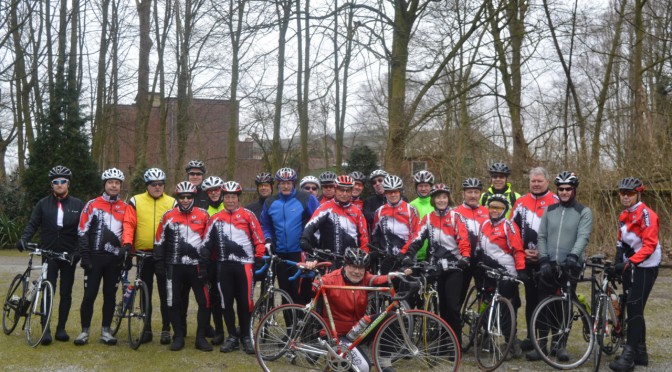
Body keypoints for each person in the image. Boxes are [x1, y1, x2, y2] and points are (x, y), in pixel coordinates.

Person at [308, 247, 412, 372]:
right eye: (353, 266)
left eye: (361, 268)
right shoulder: (330, 279)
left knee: (390, 317)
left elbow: (381, 279)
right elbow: (313, 290)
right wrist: (310, 266)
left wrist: (400, 273)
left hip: (356, 330)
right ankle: (334, 358)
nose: (357, 271)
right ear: (345, 265)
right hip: (336, 335)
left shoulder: (366, 278)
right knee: (363, 369)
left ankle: (384, 364)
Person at [527, 171, 592, 362]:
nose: (564, 192)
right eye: (561, 189)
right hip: (549, 263)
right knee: (543, 303)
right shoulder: (550, 210)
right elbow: (542, 236)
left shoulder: (583, 211)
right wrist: (544, 259)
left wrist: (573, 255)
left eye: (568, 189)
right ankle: (541, 345)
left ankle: (560, 344)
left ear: (574, 190)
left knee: (564, 304)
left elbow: (583, 236)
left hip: (570, 264)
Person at [16, 165, 84, 345]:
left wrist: (78, 252)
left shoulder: (78, 204)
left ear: (68, 184)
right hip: (49, 254)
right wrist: (24, 239)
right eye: (56, 182)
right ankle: (45, 328)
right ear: (52, 185)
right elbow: (32, 224)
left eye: (63, 181)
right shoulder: (42, 204)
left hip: (69, 256)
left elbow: (83, 231)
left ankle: (61, 328)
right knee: (47, 290)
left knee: (66, 293)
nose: (59, 184)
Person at [399, 183, 470, 345]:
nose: (441, 200)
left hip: (454, 267)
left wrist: (465, 257)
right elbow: (417, 239)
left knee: (452, 307)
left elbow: (463, 239)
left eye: (444, 197)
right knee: (438, 307)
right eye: (438, 197)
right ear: (433, 199)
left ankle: (455, 343)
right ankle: (442, 342)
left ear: (448, 198)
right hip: (434, 267)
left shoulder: (455, 217)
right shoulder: (428, 218)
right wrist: (408, 255)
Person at [202, 181, 266, 354]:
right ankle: (232, 336)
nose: (230, 200)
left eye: (233, 197)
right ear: (223, 198)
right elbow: (207, 240)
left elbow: (259, 239)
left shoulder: (248, 215)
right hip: (223, 265)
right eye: (227, 197)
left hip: (245, 265)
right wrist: (205, 253)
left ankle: (246, 336)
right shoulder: (215, 218)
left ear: (238, 198)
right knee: (225, 302)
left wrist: (259, 257)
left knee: (245, 302)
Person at [608, 178, 661, 372]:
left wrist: (630, 263)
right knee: (634, 307)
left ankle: (628, 355)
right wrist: (617, 262)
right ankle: (641, 352)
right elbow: (620, 242)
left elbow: (650, 245)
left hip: (646, 266)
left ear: (638, 194)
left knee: (634, 306)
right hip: (631, 266)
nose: (625, 196)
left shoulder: (646, 214)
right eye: (622, 193)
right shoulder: (624, 215)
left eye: (629, 193)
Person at [153, 181, 211, 351]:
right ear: (177, 197)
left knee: (204, 301)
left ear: (194, 197)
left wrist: (206, 263)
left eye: (189, 197)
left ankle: (200, 338)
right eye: (182, 197)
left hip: (197, 266)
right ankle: (178, 336)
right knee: (173, 301)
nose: (185, 200)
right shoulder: (168, 216)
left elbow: (208, 241)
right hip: (174, 265)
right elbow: (159, 241)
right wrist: (159, 263)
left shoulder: (204, 215)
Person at [121, 167, 176, 344]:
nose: (158, 187)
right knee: (145, 293)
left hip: (164, 255)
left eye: (161, 184)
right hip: (143, 253)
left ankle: (166, 329)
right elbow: (129, 224)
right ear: (147, 185)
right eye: (154, 184)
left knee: (164, 292)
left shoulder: (172, 202)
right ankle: (146, 328)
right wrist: (128, 244)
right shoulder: (136, 201)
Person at [74, 168, 128, 346]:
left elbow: (128, 233)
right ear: (104, 184)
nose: (114, 185)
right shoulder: (92, 204)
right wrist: (85, 256)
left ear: (120, 186)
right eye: (110, 182)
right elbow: (82, 231)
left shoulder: (125, 208)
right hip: (95, 259)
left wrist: (126, 255)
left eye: (117, 183)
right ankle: (84, 331)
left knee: (110, 296)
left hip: (114, 260)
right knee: (89, 295)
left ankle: (106, 331)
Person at [510, 167, 558, 351]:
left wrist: (545, 252)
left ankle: (552, 338)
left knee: (549, 300)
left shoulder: (555, 201)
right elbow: (511, 230)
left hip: (548, 260)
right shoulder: (521, 202)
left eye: (539, 181)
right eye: (533, 181)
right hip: (527, 261)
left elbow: (559, 232)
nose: (536, 184)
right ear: (529, 182)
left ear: (547, 181)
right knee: (531, 300)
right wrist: (521, 251)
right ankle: (531, 336)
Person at [477, 194, 526, 357]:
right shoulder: (483, 224)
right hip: (488, 273)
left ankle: (510, 342)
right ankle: (486, 336)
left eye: (498, 207)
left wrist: (521, 270)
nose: (494, 210)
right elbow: (480, 247)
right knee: (486, 305)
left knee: (506, 310)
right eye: (492, 207)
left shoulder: (509, 226)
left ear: (504, 209)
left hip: (506, 274)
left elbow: (518, 250)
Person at [260, 167, 319, 304]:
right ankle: (289, 325)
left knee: (301, 292)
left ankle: (303, 324)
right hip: (280, 254)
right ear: (278, 184)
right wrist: (268, 239)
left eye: (289, 183)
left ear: (294, 183)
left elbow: (317, 221)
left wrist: (311, 243)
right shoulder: (270, 202)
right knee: (285, 292)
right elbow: (265, 225)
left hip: (300, 253)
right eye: (282, 183)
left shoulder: (306, 198)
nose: (285, 186)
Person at [301, 175, 369, 267]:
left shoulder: (357, 211)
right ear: (335, 190)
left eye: (348, 190)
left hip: (351, 261)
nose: (344, 194)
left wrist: (364, 256)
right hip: (328, 259)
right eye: (341, 190)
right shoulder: (325, 208)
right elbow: (310, 227)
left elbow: (364, 237)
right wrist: (304, 240)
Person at [371, 175, 419, 274]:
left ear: (400, 192)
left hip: (407, 257)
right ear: (385, 193)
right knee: (388, 287)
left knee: (406, 288)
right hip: (387, 258)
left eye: (395, 191)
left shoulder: (411, 210)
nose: (393, 195)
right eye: (389, 192)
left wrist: (404, 252)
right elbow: (375, 233)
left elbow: (415, 235)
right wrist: (376, 248)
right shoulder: (379, 211)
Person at [453, 178, 490, 306]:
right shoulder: (455, 213)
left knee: (486, 295)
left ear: (480, 194)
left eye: (476, 192)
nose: (473, 195)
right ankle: (456, 324)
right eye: (469, 192)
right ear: (463, 194)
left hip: (482, 260)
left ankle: (483, 322)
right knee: (458, 296)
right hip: (463, 260)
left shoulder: (488, 212)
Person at [200, 175, 225, 345]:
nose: (214, 193)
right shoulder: (203, 211)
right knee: (212, 296)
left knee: (227, 296)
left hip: (227, 259)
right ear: (207, 193)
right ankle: (217, 330)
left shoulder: (229, 206)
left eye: (217, 190)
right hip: (210, 260)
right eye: (211, 191)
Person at [409, 170, 435, 262]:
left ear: (431, 187)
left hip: (433, 253)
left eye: (426, 186)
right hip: (415, 253)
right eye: (420, 186)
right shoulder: (411, 205)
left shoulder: (436, 204)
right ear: (416, 187)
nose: (423, 188)